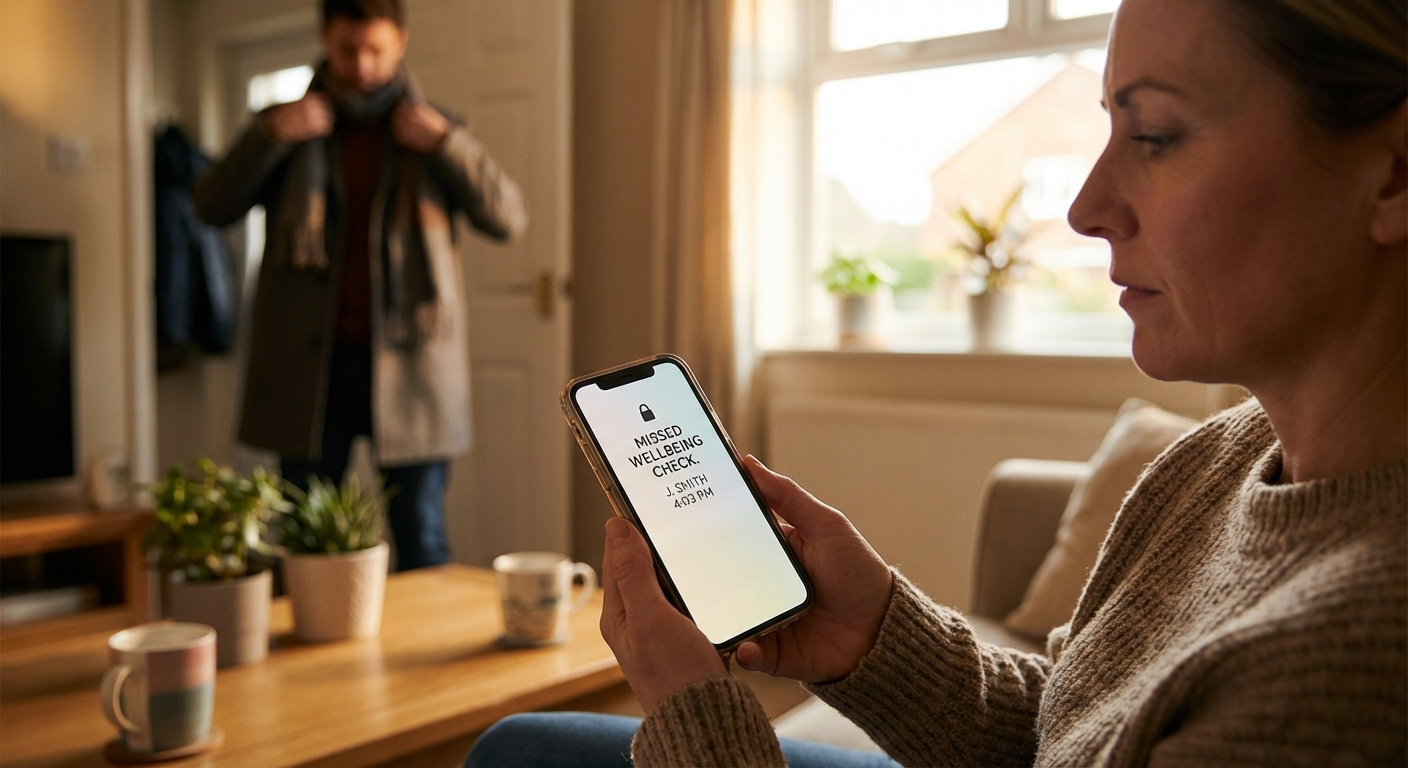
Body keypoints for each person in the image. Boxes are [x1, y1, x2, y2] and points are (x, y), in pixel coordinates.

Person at [466, 0, 1406, 764]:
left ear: (1394, 175)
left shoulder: (1343, 666)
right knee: (524, 744)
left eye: (1155, 134)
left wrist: (700, 729)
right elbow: (1075, 734)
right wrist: (876, 633)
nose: (1086, 208)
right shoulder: (1216, 459)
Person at [196, 0, 527, 570]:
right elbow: (211, 204)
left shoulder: (432, 126)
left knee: (421, 539)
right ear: (326, 39)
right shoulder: (286, 123)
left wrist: (448, 142)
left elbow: (508, 218)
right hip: (310, 373)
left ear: (400, 42)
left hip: (413, 369)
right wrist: (271, 134)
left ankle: (424, 660)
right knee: (304, 543)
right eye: (348, 49)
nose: (362, 66)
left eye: (375, 49)